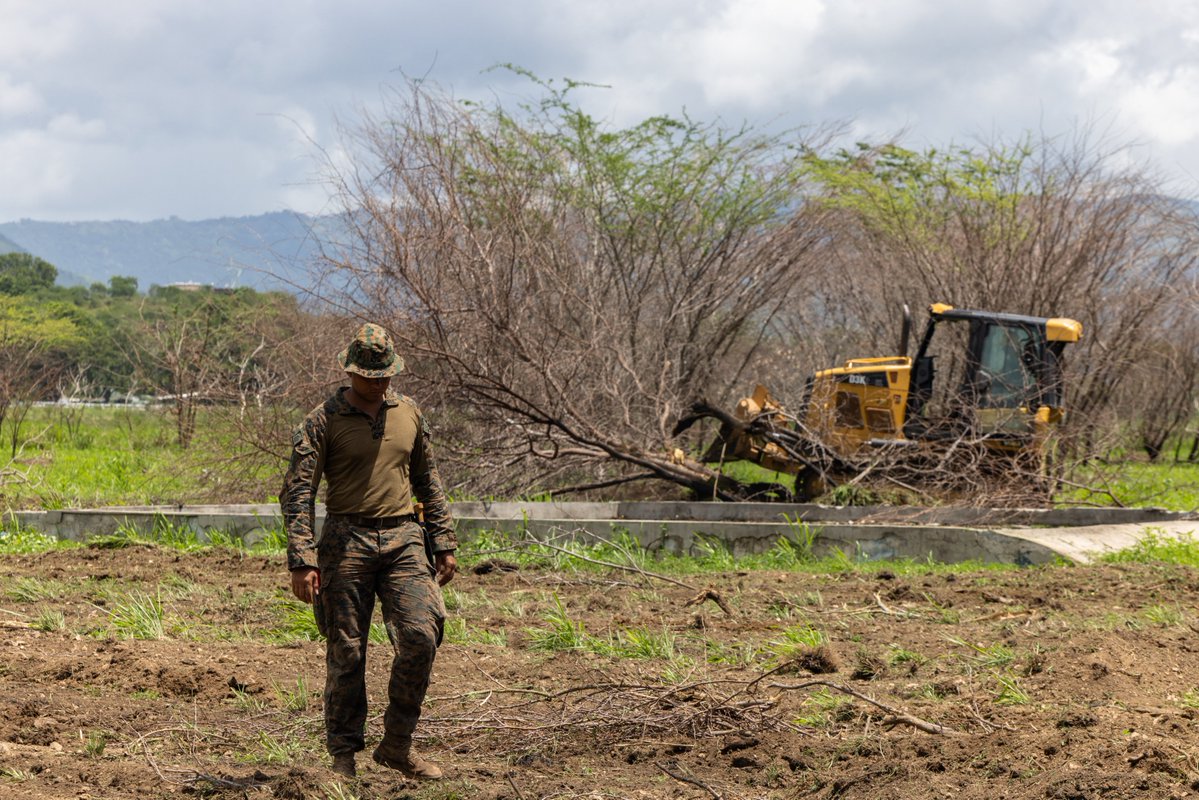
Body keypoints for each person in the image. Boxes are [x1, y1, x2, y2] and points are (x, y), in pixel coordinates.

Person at [281, 322, 458, 780]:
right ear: (351, 372)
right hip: (346, 544)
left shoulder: (409, 413)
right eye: (369, 376)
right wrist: (302, 559)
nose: (378, 383)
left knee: (421, 634)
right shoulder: (324, 420)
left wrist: (443, 542)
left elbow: (429, 482)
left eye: (384, 376)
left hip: (404, 541)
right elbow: (298, 492)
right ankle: (343, 756)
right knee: (348, 651)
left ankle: (397, 744)